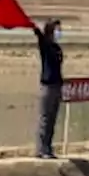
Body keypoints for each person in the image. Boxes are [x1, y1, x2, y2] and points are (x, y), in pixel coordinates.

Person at [34, 18, 63, 159]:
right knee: (45, 119)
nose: (60, 32)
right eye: (57, 29)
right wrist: (35, 27)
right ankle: (41, 149)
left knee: (52, 119)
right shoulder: (45, 45)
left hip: (57, 86)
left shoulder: (57, 48)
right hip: (47, 86)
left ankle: (48, 148)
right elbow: (38, 35)